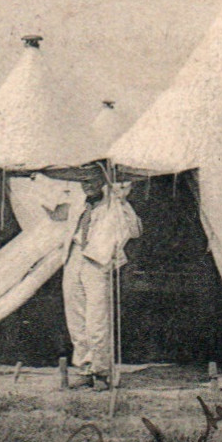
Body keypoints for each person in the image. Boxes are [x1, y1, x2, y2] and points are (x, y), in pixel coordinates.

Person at [61, 165, 142, 390]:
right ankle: (84, 368)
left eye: (91, 181)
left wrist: (123, 201)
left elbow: (134, 231)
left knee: (96, 318)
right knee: (75, 316)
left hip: (97, 261)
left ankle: (101, 371)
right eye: (83, 181)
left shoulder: (114, 205)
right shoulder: (80, 203)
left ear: (102, 182)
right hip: (74, 256)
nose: (87, 185)